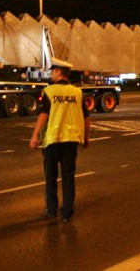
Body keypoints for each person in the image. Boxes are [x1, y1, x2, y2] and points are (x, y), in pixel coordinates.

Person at [29, 58, 90, 223]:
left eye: (53, 71)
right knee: (68, 176)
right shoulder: (77, 93)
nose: (51, 73)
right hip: (71, 140)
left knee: (51, 176)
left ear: (59, 72)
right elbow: (86, 117)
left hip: (52, 140)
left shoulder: (50, 91)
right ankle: (67, 212)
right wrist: (85, 136)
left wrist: (35, 135)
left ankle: (51, 209)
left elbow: (44, 115)